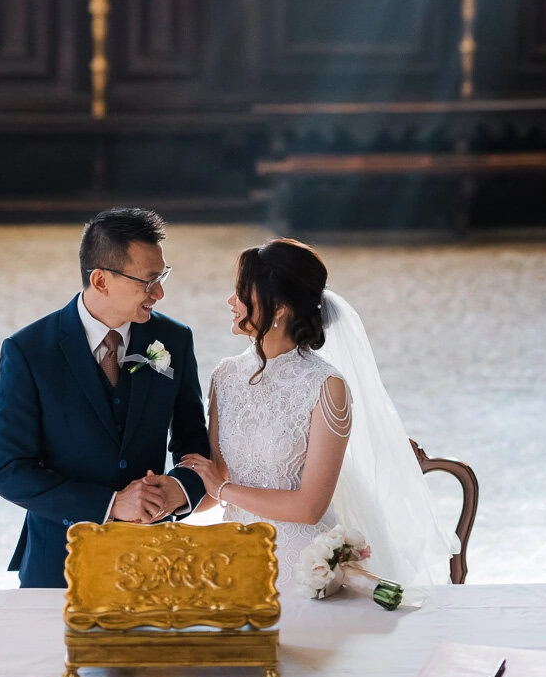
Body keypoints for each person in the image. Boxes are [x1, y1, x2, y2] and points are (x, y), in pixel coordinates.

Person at [181, 238, 452, 594]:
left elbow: (309, 507)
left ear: (278, 307)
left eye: (241, 292)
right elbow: (217, 487)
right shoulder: (225, 377)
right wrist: (163, 501)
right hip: (235, 560)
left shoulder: (326, 386)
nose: (230, 302)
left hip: (304, 569)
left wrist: (224, 488)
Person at [0, 207, 210, 589]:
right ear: (101, 280)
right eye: (149, 281)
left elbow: (194, 443)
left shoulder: (174, 340)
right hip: (58, 563)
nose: (159, 293)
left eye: (162, 276)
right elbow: (12, 473)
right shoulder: (28, 350)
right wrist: (109, 504)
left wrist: (180, 490)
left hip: (150, 559)